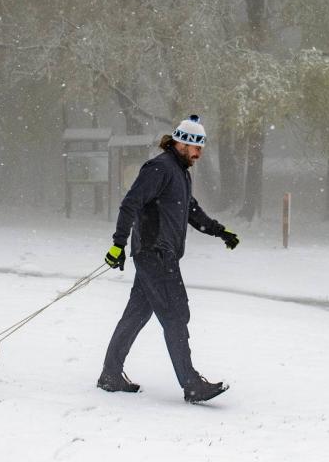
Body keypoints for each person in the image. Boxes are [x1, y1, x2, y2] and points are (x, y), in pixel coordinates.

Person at [97, 115, 240, 404]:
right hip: (155, 254)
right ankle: (191, 383)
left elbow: (190, 210)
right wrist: (118, 244)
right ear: (181, 143)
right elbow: (130, 204)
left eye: (201, 147)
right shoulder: (159, 168)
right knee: (176, 314)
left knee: (137, 313)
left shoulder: (179, 173)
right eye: (195, 147)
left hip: (159, 255)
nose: (199, 154)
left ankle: (110, 374)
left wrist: (219, 231)